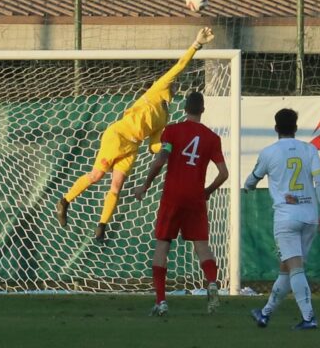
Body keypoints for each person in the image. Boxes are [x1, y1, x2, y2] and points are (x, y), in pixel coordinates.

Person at [56, 27, 215, 242]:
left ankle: (101, 227)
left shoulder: (165, 114)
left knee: (117, 186)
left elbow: (153, 146)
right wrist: (196, 45)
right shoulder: (159, 88)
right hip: (118, 136)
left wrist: (172, 146)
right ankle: (65, 201)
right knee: (96, 176)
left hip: (132, 146)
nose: (176, 84)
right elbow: (180, 66)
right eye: (174, 82)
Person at [134, 92, 228, 316]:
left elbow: (160, 160)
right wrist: (207, 191)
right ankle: (212, 282)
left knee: (163, 245)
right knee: (202, 246)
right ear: (202, 110)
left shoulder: (172, 132)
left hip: (172, 196)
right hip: (195, 197)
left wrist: (145, 184)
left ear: (185, 108)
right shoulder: (212, 138)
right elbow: (224, 173)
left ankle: (161, 301)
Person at [245, 108, 320, 330]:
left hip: (286, 218)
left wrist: (248, 187)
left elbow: (253, 178)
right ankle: (265, 314)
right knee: (286, 267)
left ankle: (309, 317)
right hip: (310, 216)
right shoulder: (309, 149)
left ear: (276, 128)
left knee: (295, 267)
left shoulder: (269, 152)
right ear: (296, 128)